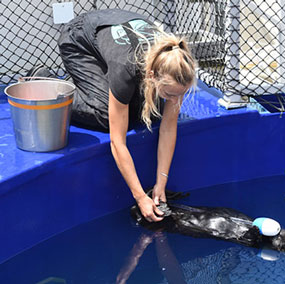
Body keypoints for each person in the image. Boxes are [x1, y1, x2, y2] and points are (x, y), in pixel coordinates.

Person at [56, 9, 197, 222]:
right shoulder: (126, 67)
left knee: (151, 110)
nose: (175, 100)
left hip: (114, 29)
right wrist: (140, 196)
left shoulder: (176, 64)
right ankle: (52, 85)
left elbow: (169, 126)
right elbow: (117, 142)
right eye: (171, 94)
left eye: (181, 94)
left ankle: (97, 84)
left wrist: (161, 183)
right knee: (104, 116)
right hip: (79, 39)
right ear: (151, 76)